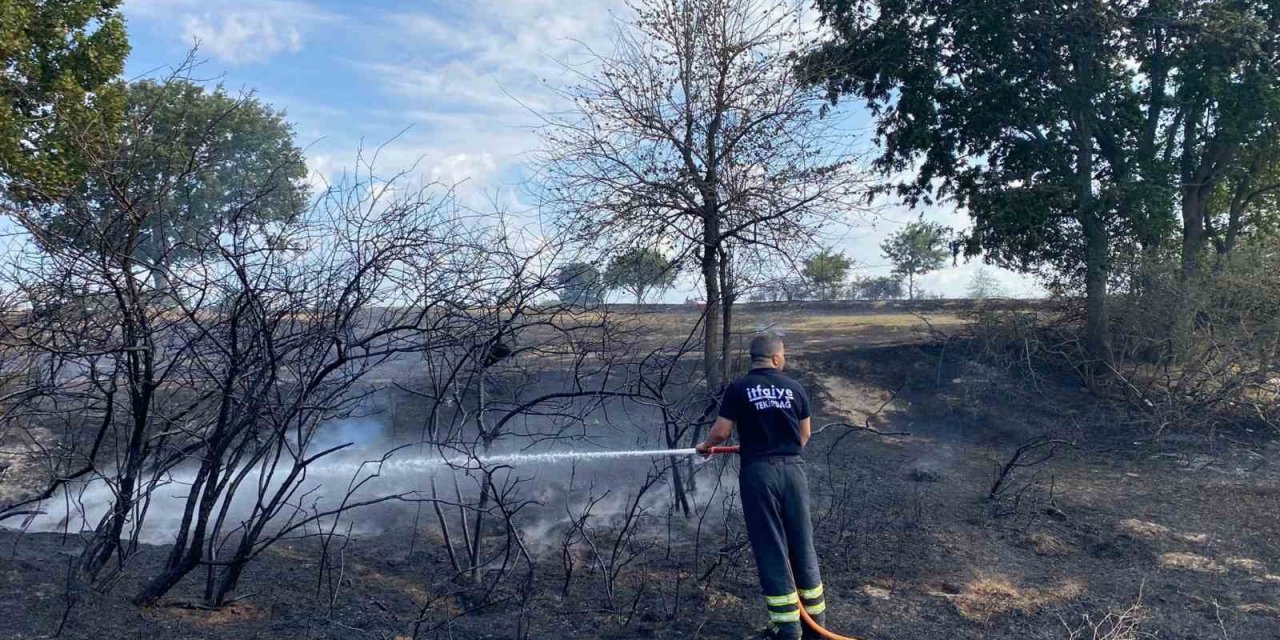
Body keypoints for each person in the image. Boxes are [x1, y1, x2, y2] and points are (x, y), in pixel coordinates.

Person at [697, 333, 825, 639]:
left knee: (771, 545)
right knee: (802, 543)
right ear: (778, 358)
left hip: (759, 474)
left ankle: (788, 629)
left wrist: (706, 446)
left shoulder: (739, 388)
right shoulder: (795, 388)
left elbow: (722, 431)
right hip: (794, 472)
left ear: (753, 359)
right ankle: (816, 625)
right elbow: (803, 436)